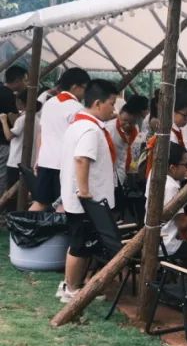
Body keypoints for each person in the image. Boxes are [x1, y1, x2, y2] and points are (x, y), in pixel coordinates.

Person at [56, 79, 119, 303]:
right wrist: (84, 192)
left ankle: (70, 284)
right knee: (80, 246)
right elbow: (82, 159)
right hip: (86, 200)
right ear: (98, 103)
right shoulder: (90, 129)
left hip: (81, 198)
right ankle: (72, 290)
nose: (114, 109)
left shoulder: (79, 124)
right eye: (112, 103)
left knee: (80, 242)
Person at [31, 68, 90, 211]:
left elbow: (41, 134)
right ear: (75, 87)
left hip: (45, 161)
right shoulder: (77, 108)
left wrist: (38, 158)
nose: (86, 93)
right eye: (85, 88)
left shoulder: (49, 103)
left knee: (39, 203)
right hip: (64, 165)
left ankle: (20, 226)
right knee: (63, 205)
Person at [141, 94, 187, 177]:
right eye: (185, 115)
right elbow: (176, 164)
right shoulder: (168, 135)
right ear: (172, 111)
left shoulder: (177, 130)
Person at [106, 95, 149, 187]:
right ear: (119, 115)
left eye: (131, 123)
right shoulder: (109, 129)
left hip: (122, 174)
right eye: (124, 120)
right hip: (109, 175)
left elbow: (133, 153)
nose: (127, 125)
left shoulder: (135, 130)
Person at [0, 64, 27, 194]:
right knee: (2, 176)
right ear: (17, 81)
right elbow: (14, 120)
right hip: (3, 142)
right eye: (25, 80)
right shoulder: (9, 96)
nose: (26, 84)